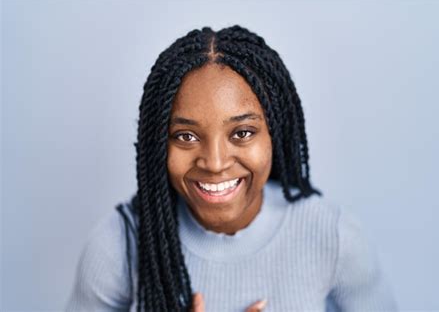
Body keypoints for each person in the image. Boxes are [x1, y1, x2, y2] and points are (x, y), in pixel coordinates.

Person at [65, 25, 398, 312]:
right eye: (186, 135)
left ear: (274, 134)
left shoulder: (332, 234)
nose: (214, 162)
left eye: (242, 133)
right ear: (158, 145)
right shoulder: (119, 244)